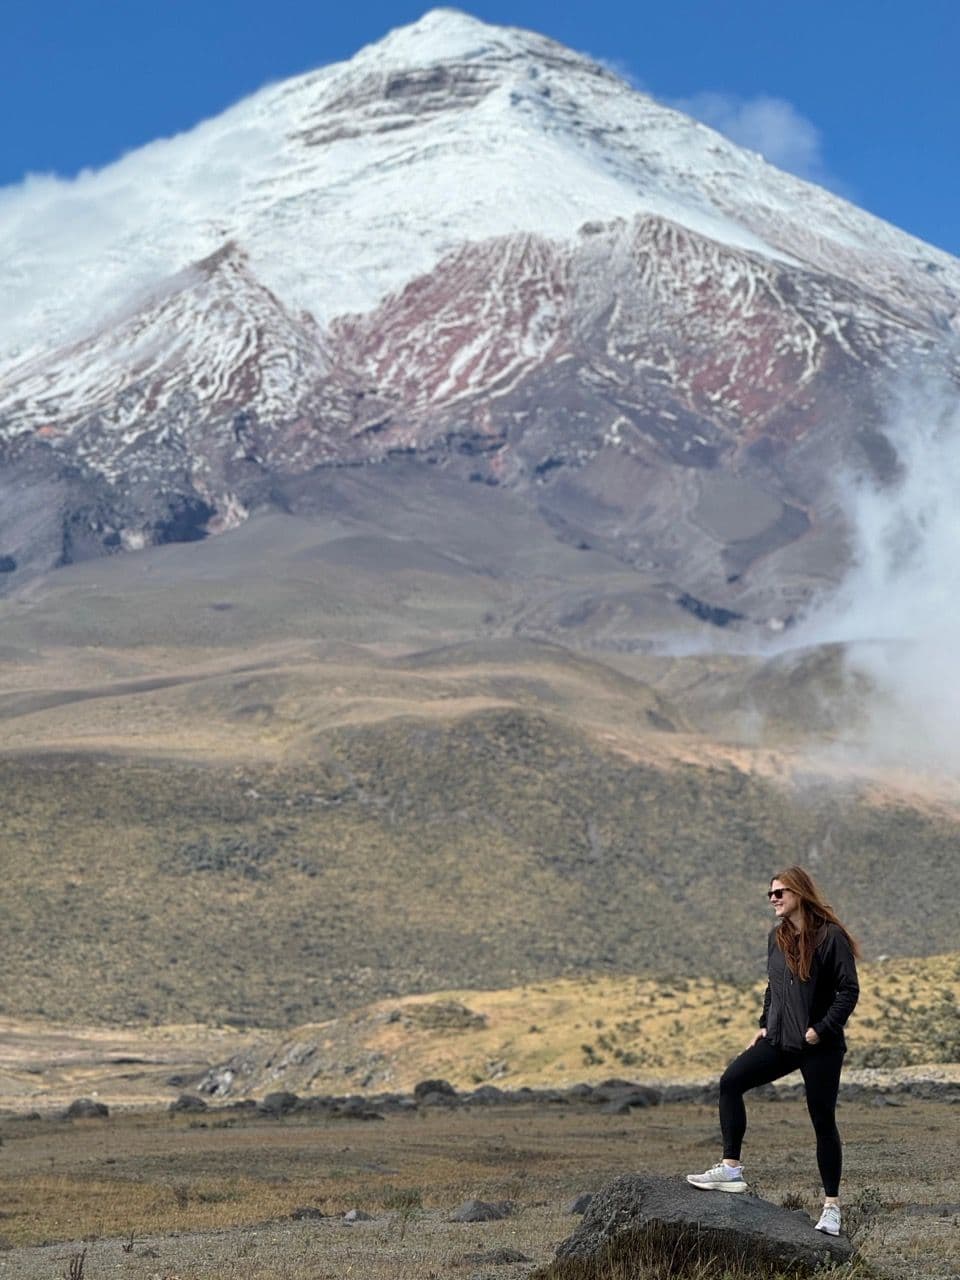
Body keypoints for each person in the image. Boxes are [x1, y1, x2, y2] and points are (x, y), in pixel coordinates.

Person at [685, 866, 860, 1238]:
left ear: (800, 893)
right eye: (770, 894)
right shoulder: (776, 937)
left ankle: (831, 1208)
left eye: (780, 892)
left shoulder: (831, 938)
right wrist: (765, 1022)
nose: (773, 899)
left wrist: (820, 1030)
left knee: (822, 1121)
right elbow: (773, 985)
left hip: (819, 1046)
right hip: (780, 1040)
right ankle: (731, 1169)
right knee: (731, 1082)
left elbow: (849, 991)